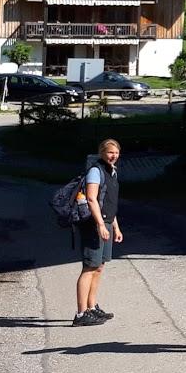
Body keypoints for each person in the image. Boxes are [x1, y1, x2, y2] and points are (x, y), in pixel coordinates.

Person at [73, 138, 122, 327]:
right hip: (94, 224)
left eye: (116, 153)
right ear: (102, 152)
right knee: (89, 267)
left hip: (106, 222)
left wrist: (115, 226)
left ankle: (91, 307)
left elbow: (109, 203)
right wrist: (100, 224)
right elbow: (92, 199)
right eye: (110, 152)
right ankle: (80, 313)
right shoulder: (96, 171)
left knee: (99, 266)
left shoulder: (112, 172)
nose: (113, 156)